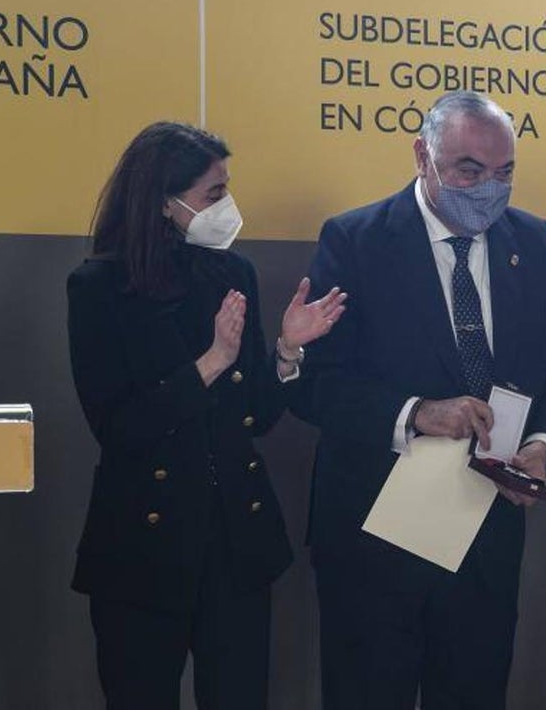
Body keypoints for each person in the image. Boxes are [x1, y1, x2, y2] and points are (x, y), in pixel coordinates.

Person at [298, 91, 546, 709]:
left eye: (505, 171)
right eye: (469, 170)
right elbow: (318, 385)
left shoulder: (534, 241)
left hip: (486, 528)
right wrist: (417, 414)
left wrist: (543, 447)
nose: (489, 187)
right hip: (375, 536)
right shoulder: (355, 240)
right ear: (421, 157)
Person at [66, 121, 345, 710]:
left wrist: (288, 350)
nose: (228, 206)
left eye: (226, 189)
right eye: (214, 194)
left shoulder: (231, 274)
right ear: (164, 204)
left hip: (235, 545)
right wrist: (210, 362)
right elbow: (119, 428)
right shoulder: (98, 287)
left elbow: (260, 417)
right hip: (143, 551)